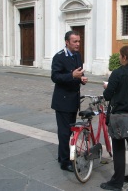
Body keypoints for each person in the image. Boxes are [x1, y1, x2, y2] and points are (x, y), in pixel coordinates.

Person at [101, 46, 128, 191]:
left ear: (124, 57)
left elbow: (107, 96)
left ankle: (117, 182)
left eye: (120, 55)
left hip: (119, 115)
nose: (119, 58)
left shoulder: (117, 73)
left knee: (119, 148)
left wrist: (107, 87)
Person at [51, 31, 88, 172]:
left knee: (71, 131)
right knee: (64, 132)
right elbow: (55, 77)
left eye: (79, 41)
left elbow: (79, 72)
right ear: (67, 42)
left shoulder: (78, 55)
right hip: (62, 101)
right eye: (75, 41)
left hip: (73, 101)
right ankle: (64, 161)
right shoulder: (59, 57)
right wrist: (72, 75)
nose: (78, 44)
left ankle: (65, 155)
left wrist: (81, 79)